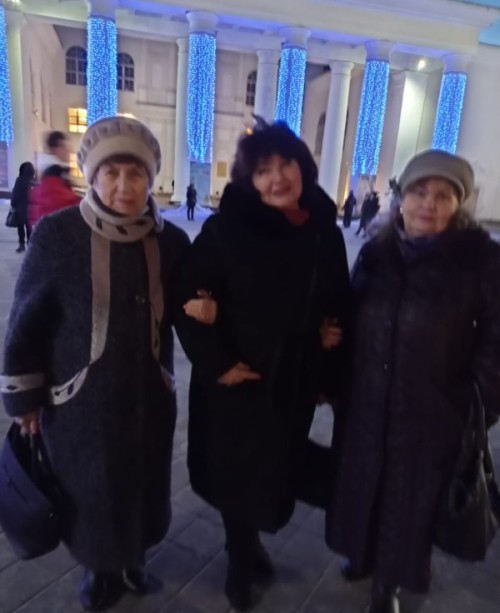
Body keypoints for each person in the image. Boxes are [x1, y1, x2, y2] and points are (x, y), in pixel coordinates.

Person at [0, 116, 190, 611]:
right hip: (81, 402)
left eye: (136, 173)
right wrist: (24, 398)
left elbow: (193, 308)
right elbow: (26, 321)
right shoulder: (58, 235)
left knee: (142, 483)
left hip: (148, 396)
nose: (124, 185)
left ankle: (133, 560)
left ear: (151, 179)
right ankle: (98, 569)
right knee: (91, 488)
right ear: (93, 176)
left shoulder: (170, 242)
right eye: (112, 173)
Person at [175, 121, 351, 611]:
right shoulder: (226, 230)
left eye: (285, 165)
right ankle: (240, 554)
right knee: (235, 469)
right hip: (237, 380)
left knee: (276, 465)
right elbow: (187, 297)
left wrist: (329, 364)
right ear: (249, 180)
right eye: (263, 170)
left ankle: (252, 542)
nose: (277, 179)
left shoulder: (322, 232)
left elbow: (337, 304)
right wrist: (218, 363)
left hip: (292, 380)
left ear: (302, 167)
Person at [326, 150, 500, 613]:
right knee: (364, 487)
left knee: (410, 507)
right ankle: (360, 555)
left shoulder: (481, 262)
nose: (429, 204)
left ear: (458, 205)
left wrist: (473, 404)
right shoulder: (377, 254)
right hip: (367, 402)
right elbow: (350, 315)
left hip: (432, 413)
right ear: (401, 198)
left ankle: (389, 585)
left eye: (443, 196)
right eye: (420, 192)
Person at [28, 131, 80, 228]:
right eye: (63, 146)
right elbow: (64, 204)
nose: (68, 151)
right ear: (53, 149)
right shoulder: (52, 175)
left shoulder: (57, 174)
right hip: (53, 233)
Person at [10, 162, 35, 253]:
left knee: (20, 227)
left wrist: (13, 204)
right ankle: (30, 245)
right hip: (31, 209)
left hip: (20, 209)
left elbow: (15, 193)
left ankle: (21, 245)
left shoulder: (19, 180)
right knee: (29, 228)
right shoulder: (34, 181)